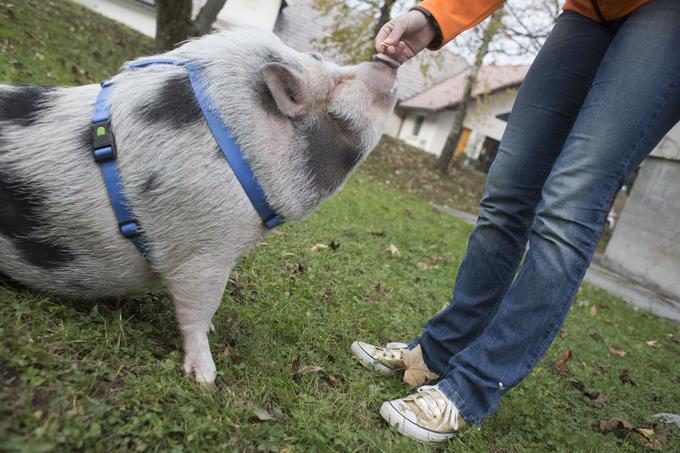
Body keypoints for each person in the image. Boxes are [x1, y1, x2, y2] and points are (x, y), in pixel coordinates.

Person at [350, 0, 680, 443]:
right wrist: (432, 17)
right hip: (588, 11)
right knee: (507, 190)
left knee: (571, 200)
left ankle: (473, 386)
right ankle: (438, 350)